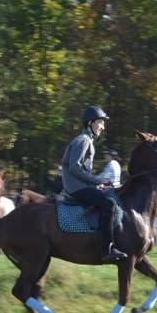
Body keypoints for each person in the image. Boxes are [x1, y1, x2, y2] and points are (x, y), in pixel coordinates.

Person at [60, 106, 126, 263]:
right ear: (90, 123)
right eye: (101, 122)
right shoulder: (83, 141)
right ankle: (107, 250)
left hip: (81, 185)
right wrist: (97, 180)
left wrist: (95, 185)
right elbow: (75, 168)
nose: (103, 127)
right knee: (110, 205)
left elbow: (81, 170)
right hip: (76, 188)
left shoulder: (87, 140)